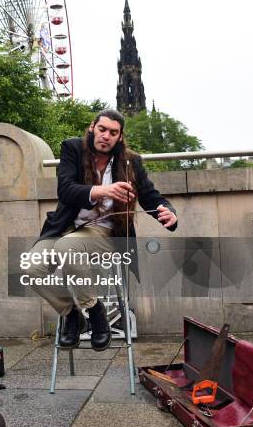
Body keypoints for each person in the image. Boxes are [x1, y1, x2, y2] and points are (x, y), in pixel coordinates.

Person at [27, 109, 178, 351]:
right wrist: (102, 190)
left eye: (113, 132)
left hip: (105, 232)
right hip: (65, 227)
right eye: (102, 129)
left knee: (68, 248)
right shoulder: (72, 149)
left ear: (120, 137)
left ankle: (95, 312)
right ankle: (72, 315)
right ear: (92, 127)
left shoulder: (131, 162)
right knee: (31, 268)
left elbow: (150, 197)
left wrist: (167, 210)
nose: (106, 136)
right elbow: (65, 190)